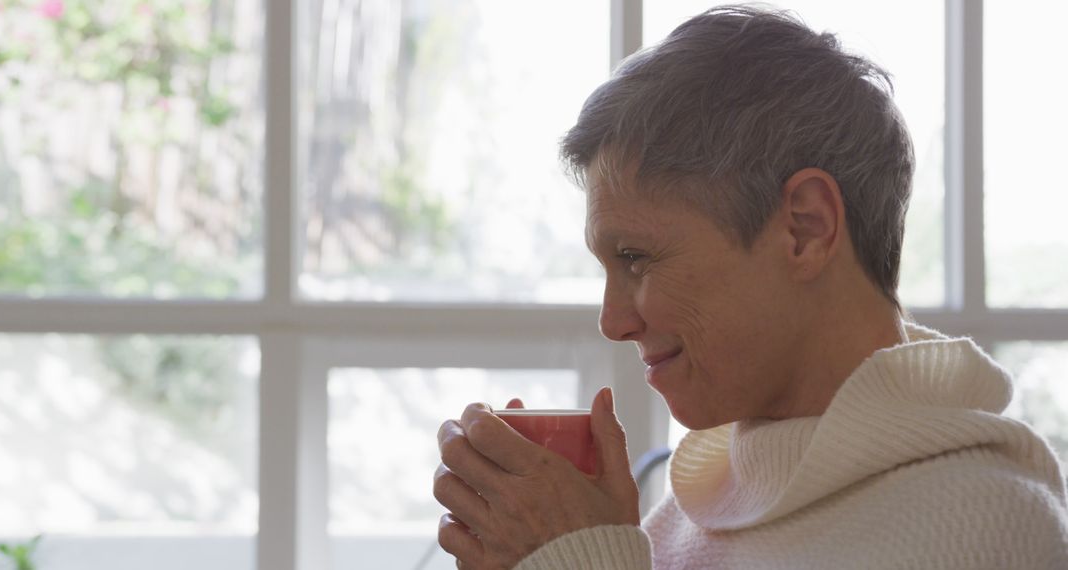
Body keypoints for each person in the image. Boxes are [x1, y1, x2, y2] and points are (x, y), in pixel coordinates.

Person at [432, 5, 1068, 569]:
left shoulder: (987, 522)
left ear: (804, 228)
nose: (613, 321)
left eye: (637, 257)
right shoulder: (688, 516)